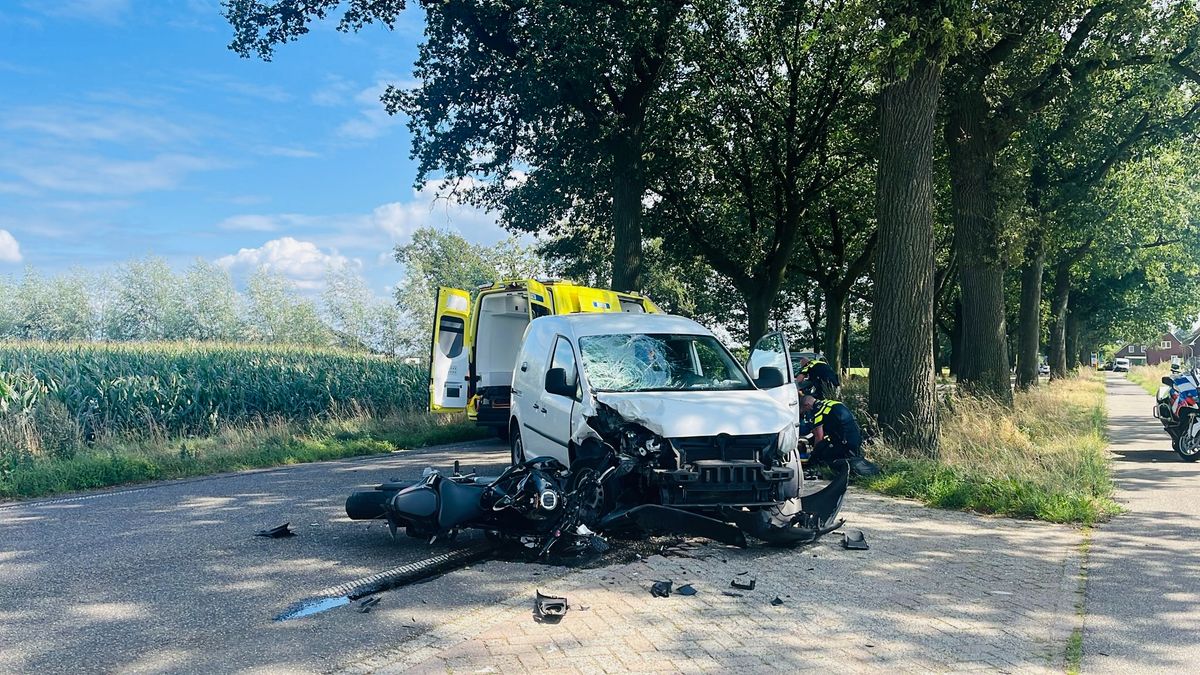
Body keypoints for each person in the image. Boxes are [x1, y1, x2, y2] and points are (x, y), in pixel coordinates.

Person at [799, 395, 878, 476]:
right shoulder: (830, 403)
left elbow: (819, 437)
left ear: (807, 405)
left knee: (823, 453)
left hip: (845, 444)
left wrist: (813, 455)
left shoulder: (818, 412)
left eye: (805, 410)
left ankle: (824, 467)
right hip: (855, 438)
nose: (807, 412)